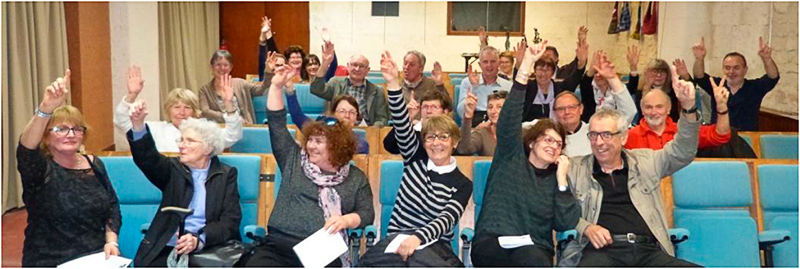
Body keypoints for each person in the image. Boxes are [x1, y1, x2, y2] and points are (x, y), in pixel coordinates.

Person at [559, 66, 701, 267]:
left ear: (624, 137)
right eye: (594, 135)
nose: (599, 142)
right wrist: (586, 227)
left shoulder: (647, 162)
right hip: (600, 252)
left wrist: (688, 108)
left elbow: (683, 152)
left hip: (648, 251)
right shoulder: (575, 168)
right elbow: (558, 208)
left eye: (607, 135)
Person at [245, 65, 374, 267]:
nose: (311, 146)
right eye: (310, 140)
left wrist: (346, 220)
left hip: (320, 249)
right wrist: (276, 87)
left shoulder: (355, 178)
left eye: (318, 142)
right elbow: (276, 123)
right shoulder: (294, 159)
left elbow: (367, 213)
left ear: (337, 147)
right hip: (279, 245)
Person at [357, 51, 472, 267]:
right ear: (424, 141)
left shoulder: (463, 184)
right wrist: (393, 83)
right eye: (430, 137)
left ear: (455, 142)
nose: (436, 143)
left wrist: (417, 238)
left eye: (443, 137)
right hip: (395, 240)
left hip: (435, 246)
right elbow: (401, 123)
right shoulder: (414, 160)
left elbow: (446, 219)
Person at [471, 42, 579, 267]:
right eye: (547, 139)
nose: (553, 146)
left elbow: (566, 222)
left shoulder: (557, 179)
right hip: (493, 242)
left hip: (534, 250)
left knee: (533, 260)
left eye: (558, 144)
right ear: (531, 142)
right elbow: (509, 118)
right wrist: (526, 65)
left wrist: (562, 182)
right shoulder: (510, 157)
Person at [16, 70, 121, 267]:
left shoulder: (94, 163)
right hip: (49, 259)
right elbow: (26, 149)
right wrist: (45, 108)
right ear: (46, 137)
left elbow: (112, 206)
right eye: (61, 129)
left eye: (77, 129)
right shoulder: (40, 168)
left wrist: (111, 241)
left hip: (96, 259)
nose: (71, 134)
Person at [127, 107, 242, 267]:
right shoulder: (173, 169)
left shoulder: (225, 174)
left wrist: (198, 239)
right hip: (169, 245)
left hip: (210, 247)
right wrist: (138, 125)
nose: (182, 145)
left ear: (208, 148)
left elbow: (230, 221)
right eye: (181, 140)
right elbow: (147, 158)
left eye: (190, 141)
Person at [114, 66, 243, 152]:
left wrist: (228, 103)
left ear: (195, 111)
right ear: (168, 110)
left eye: (187, 107)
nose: (182, 112)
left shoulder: (205, 129)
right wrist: (132, 94)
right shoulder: (156, 129)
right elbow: (122, 122)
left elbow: (232, 136)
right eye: (176, 107)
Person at [555, 53, 637, 157]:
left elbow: (629, 112)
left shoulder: (595, 131)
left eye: (571, 107)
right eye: (561, 108)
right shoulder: (551, 136)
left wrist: (612, 78)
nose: (567, 112)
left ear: (581, 109)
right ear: (554, 112)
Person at [692, 37, 781, 131]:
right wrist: (699, 59)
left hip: (746, 137)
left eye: (736, 68)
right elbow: (699, 76)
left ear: (745, 70)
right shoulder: (716, 86)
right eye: (727, 68)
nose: (731, 72)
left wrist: (767, 59)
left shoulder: (755, 87)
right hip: (719, 136)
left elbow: (773, 77)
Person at [625, 83, 731, 150]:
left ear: (668, 109)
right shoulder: (629, 136)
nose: (653, 112)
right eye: (648, 107)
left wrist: (722, 107)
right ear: (642, 110)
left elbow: (721, 135)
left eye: (659, 107)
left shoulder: (684, 132)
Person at [311, 40, 390, 126]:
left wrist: (372, 130)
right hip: (339, 128)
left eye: (362, 66)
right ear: (348, 66)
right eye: (354, 65)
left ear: (368, 70)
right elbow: (316, 89)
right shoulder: (336, 83)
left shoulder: (377, 91)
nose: (357, 69)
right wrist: (325, 63)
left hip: (367, 129)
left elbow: (382, 118)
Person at [285, 78, 370, 153]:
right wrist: (290, 89)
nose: (347, 115)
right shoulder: (319, 132)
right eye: (342, 111)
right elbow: (297, 116)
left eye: (352, 112)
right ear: (334, 114)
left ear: (356, 117)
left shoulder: (361, 144)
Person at [520, 37, 587, 122]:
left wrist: (582, 62)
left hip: (555, 127)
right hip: (529, 128)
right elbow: (518, 80)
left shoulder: (559, 88)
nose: (543, 74)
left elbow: (575, 78)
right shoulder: (527, 87)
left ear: (552, 73)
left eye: (547, 70)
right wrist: (521, 63)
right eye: (540, 69)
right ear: (535, 71)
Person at [257, 16, 338, 83]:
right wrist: (267, 34)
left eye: (299, 57)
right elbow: (274, 53)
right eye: (293, 58)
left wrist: (328, 44)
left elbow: (332, 67)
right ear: (287, 61)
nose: (296, 60)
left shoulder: (311, 77)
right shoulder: (282, 72)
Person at [198, 50, 271, 124]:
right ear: (211, 67)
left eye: (225, 65)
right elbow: (205, 111)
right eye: (218, 65)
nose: (222, 68)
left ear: (230, 67)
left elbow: (262, 90)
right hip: (219, 129)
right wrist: (230, 118)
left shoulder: (241, 83)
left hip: (244, 127)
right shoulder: (204, 90)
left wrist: (268, 71)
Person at [579, 48, 641, 123]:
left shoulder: (617, 91)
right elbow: (585, 82)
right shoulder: (589, 91)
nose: (598, 75)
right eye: (595, 73)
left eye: (601, 73)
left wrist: (633, 67)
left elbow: (632, 87)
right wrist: (591, 68)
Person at [382, 89, 452, 154]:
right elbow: (390, 146)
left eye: (434, 107)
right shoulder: (412, 131)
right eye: (425, 107)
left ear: (445, 112)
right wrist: (406, 118)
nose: (429, 111)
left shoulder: (451, 133)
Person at [456, 46, 512, 127]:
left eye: (493, 61)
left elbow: (512, 115)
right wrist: (474, 87)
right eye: (485, 62)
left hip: (499, 127)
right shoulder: (467, 82)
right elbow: (461, 114)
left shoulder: (508, 86)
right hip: (473, 127)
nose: (489, 65)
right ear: (480, 64)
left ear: (498, 63)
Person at [456, 90, 506, 156]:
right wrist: (468, 117)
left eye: (499, 107)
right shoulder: (482, 133)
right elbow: (463, 150)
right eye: (490, 107)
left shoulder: (519, 134)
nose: (493, 111)